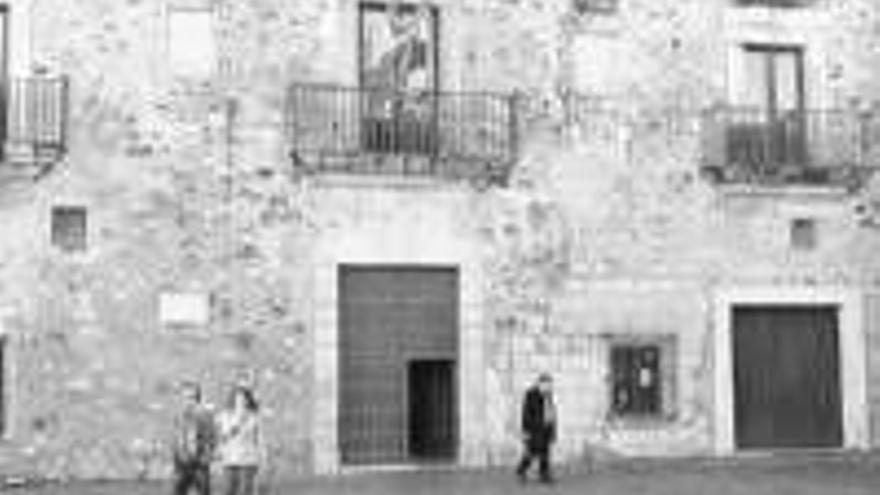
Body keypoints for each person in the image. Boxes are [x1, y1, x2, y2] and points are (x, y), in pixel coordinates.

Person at [171, 381, 217, 495]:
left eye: (192, 397)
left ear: (197, 399)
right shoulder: (179, 417)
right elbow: (176, 439)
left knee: (203, 492)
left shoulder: (205, 416)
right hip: (181, 464)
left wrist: (206, 457)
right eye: (185, 397)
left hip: (199, 465)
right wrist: (176, 458)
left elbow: (212, 439)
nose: (188, 401)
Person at [217, 385, 264, 495]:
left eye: (243, 399)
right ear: (233, 400)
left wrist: (262, 458)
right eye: (238, 399)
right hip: (230, 459)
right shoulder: (226, 416)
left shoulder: (254, 417)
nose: (241, 402)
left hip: (248, 460)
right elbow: (223, 437)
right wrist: (237, 422)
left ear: (248, 401)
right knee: (229, 490)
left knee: (245, 491)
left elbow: (259, 439)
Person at [515, 373, 557, 484]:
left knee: (545, 452)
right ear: (540, 383)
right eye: (547, 384)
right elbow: (526, 413)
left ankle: (544, 475)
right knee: (531, 452)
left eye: (550, 384)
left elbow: (551, 411)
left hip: (546, 428)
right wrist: (526, 431)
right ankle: (521, 470)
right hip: (535, 429)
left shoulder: (548, 395)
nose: (549, 387)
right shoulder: (531, 394)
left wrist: (553, 429)